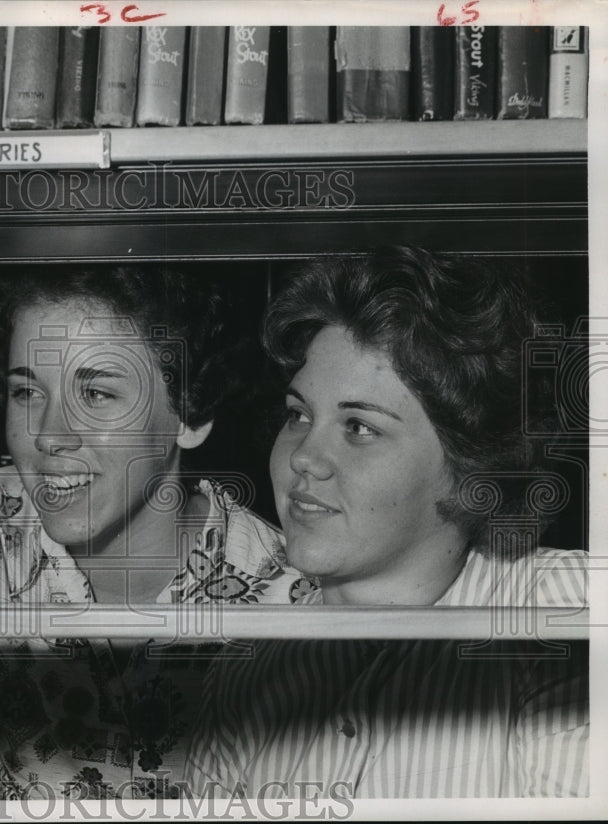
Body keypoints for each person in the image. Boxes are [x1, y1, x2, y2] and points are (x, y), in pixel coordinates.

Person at [185, 247, 588, 799]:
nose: (303, 456)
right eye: (299, 415)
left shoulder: (561, 610)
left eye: (359, 427)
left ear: (472, 464)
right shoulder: (246, 672)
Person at [0, 265, 309, 800]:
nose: (49, 437)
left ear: (188, 416)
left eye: (95, 394)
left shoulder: (293, 596)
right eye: (27, 393)